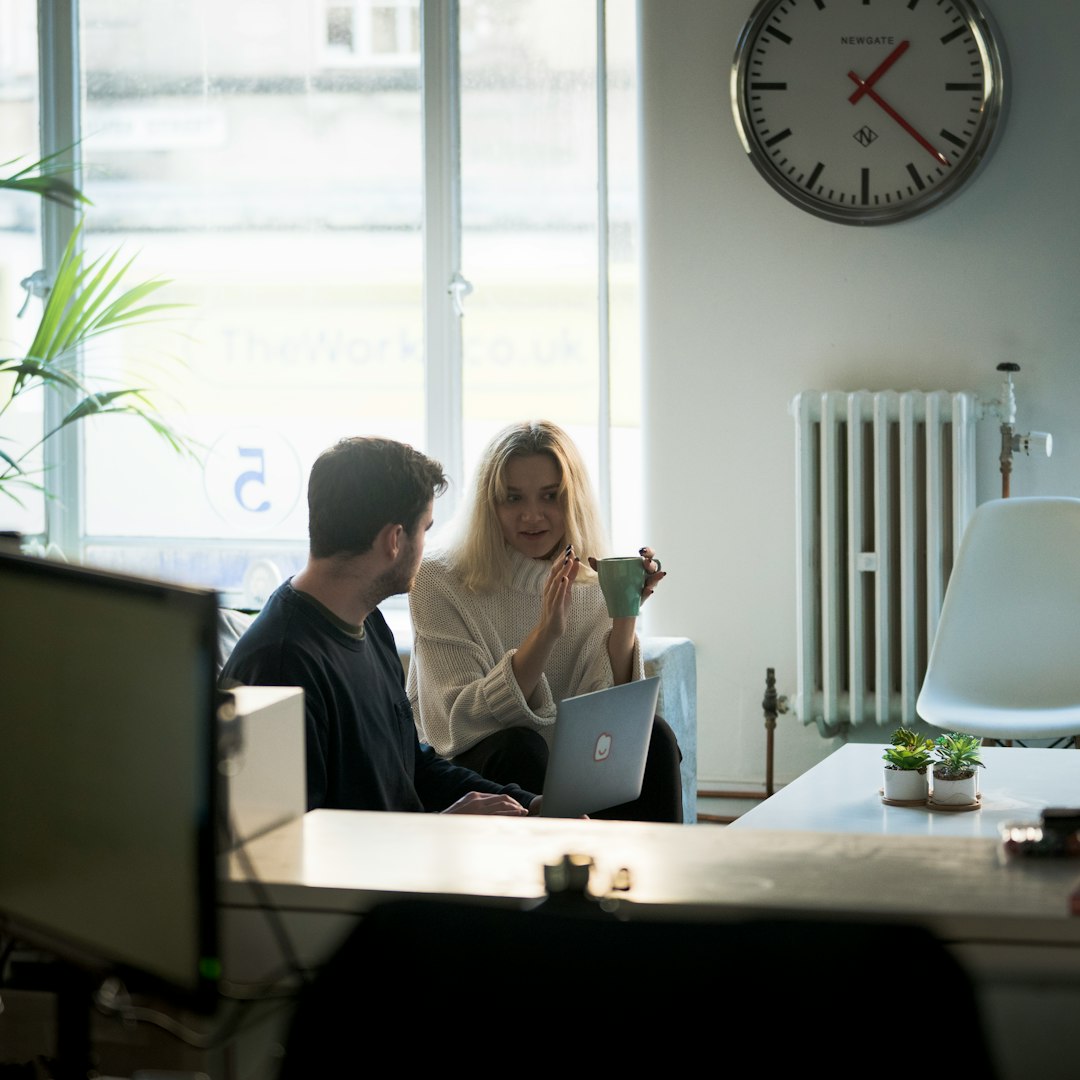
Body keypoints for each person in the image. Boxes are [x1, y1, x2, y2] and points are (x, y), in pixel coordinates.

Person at [220, 436, 539, 817]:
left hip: (404, 859)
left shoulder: (368, 620)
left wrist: (532, 804)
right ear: (394, 540)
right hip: (375, 875)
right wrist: (444, 830)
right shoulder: (281, 666)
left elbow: (411, 766)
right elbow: (298, 852)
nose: (426, 545)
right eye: (425, 529)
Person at [406, 420, 683, 822]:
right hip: (477, 773)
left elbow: (608, 716)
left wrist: (624, 615)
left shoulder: (588, 580)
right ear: (489, 504)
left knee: (654, 739)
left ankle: (651, 880)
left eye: (550, 496)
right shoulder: (438, 577)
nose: (532, 516)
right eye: (513, 499)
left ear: (572, 500)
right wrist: (546, 633)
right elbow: (456, 722)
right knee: (519, 747)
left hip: (569, 771)